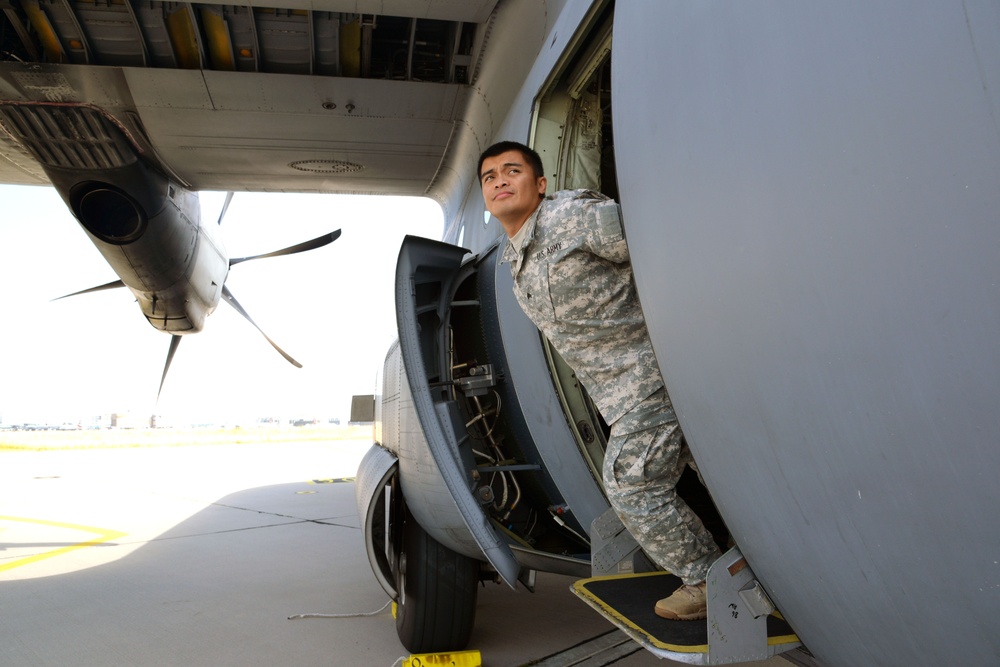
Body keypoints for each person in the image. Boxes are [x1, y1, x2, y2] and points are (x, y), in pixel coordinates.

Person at [478, 140, 722, 621]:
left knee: (631, 484)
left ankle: (707, 580)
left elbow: (657, 245)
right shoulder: (517, 256)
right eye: (490, 177)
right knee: (718, 474)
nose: (501, 181)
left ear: (541, 184)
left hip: (650, 376)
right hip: (621, 391)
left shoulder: (571, 216)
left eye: (513, 171)